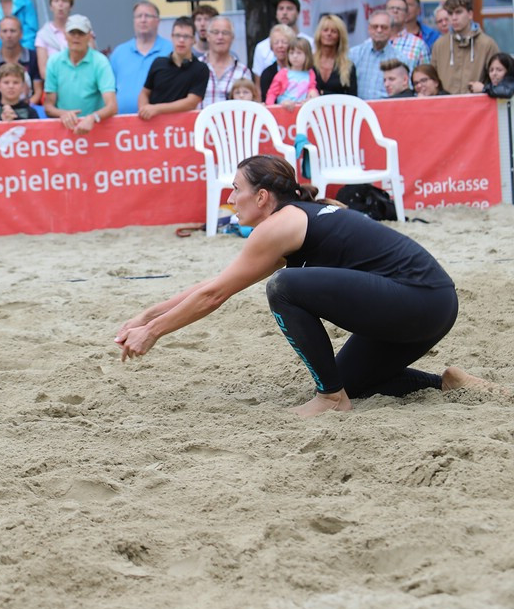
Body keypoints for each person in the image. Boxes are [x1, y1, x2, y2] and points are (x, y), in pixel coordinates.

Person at [116, 154, 480, 418]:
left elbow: (214, 296)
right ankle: (445, 382)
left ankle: (330, 399)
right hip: (433, 305)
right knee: (350, 380)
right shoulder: (294, 222)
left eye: (235, 189)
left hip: (416, 301)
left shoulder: (279, 225)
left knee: (284, 286)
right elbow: (217, 283)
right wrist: (149, 316)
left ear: (262, 197)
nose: (230, 200)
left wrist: (154, 333)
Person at [43, 14, 117, 133]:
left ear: (89, 36)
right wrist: (64, 114)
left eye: (81, 33)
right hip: (64, 133)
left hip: (96, 131)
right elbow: (48, 106)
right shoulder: (54, 61)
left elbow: (112, 106)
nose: (76, 37)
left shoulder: (100, 61)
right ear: (65, 35)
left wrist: (93, 118)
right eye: (72, 33)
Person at [138, 16, 210, 119]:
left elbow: (191, 102)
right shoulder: (158, 63)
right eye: (177, 35)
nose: (181, 40)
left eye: (186, 36)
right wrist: (144, 109)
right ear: (172, 37)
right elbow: (145, 92)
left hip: (182, 129)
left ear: (193, 40)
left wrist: (156, 109)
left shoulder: (200, 69)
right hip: (153, 127)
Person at [109, 1, 173, 114]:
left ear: (158, 21)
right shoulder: (119, 52)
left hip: (161, 120)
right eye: (139, 16)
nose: (143, 20)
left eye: (148, 16)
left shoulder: (170, 50)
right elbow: (110, 89)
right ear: (134, 21)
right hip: (122, 123)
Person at [431, 0, 499, 94]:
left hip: (478, 106)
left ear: (470, 14)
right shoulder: (439, 45)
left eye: (458, 12)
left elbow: (499, 79)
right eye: (450, 13)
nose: (453, 18)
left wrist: (485, 88)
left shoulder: (487, 44)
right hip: (446, 106)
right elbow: (432, 79)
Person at [0, 16, 42, 104]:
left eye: (13, 31)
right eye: (4, 31)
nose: (8, 35)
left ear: (21, 34)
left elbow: (38, 92)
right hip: (1, 112)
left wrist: (25, 110)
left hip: (29, 110)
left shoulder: (34, 58)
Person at [252, 0, 312, 77]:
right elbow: (258, 85)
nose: (284, 12)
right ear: (276, 13)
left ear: (298, 13)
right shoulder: (261, 47)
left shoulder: (310, 42)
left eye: (289, 8)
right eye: (281, 8)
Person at [201, 16, 252, 106]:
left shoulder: (242, 72)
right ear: (208, 36)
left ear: (232, 38)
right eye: (215, 32)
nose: (220, 37)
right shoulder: (196, 68)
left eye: (225, 33)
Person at [350, 11, 398, 100]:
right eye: (375, 27)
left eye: (384, 27)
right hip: (359, 110)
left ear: (391, 30)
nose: (379, 30)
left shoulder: (400, 59)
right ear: (369, 29)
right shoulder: (353, 54)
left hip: (387, 109)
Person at [265, 37, 319, 109]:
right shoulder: (283, 73)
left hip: (303, 110)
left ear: (307, 55)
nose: (295, 56)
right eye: (291, 53)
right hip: (284, 110)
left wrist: (313, 95)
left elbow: (312, 88)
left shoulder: (310, 73)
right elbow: (272, 93)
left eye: (299, 53)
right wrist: (270, 108)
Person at [311, 14, 357, 96]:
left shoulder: (348, 66)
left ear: (340, 36)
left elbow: (353, 98)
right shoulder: (309, 62)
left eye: (334, 31)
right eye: (325, 30)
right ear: (319, 34)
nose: (329, 34)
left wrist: (324, 93)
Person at [35, 0, 74, 78]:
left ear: (71, 6)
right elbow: (43, 71)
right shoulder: (43, 35)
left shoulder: (82, 31)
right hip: (55, 86)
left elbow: (93, 61)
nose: (60, 5)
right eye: (56, 1)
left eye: (64, 1)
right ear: (50, 7)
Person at [385, 0, 430, 70]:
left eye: (399, 9)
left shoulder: (418, 45)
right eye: (391, 8)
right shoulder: (373, 43)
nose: (395, 11)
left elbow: (425, 77)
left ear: (406, 15)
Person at [257, 24, 297, 100]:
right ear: (271, 47)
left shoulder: (303, 69)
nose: (280, 46)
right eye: (276, 43)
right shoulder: (267, 74)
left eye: (284, 42)